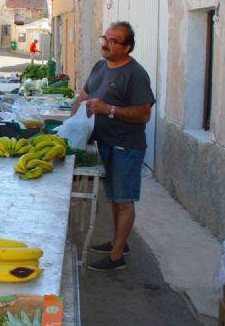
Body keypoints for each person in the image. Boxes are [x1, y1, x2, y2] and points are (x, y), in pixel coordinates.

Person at [72, 21, 155, 271]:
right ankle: (120, 242)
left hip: (125, 147)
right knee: (115, 198)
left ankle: (116, 256)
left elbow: (143, 114)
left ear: (127, 47)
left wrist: (108, 109)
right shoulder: (100, 66)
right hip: (103, 143)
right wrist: (73, 120)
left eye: (113, 41)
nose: (105, 44)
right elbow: (85, 95)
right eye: (104, 39)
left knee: (124, 199)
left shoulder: (135, 74)